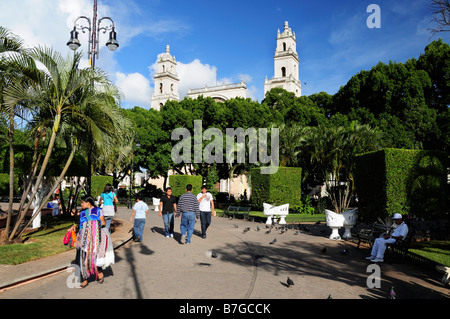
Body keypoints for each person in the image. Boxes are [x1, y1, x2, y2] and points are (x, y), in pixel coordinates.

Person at [68, 195, 114, 288]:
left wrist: (91, 225)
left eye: (82, 202)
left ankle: (99, 272)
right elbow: (80, 225)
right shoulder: (82, 213)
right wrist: (75, 227)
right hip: (84, 237)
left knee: (95, 256)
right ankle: (84, 279)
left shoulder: (98, 210)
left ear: (88, 202)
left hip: (96, 236)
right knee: (82, 257)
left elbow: (103, 222)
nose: (81, 204)